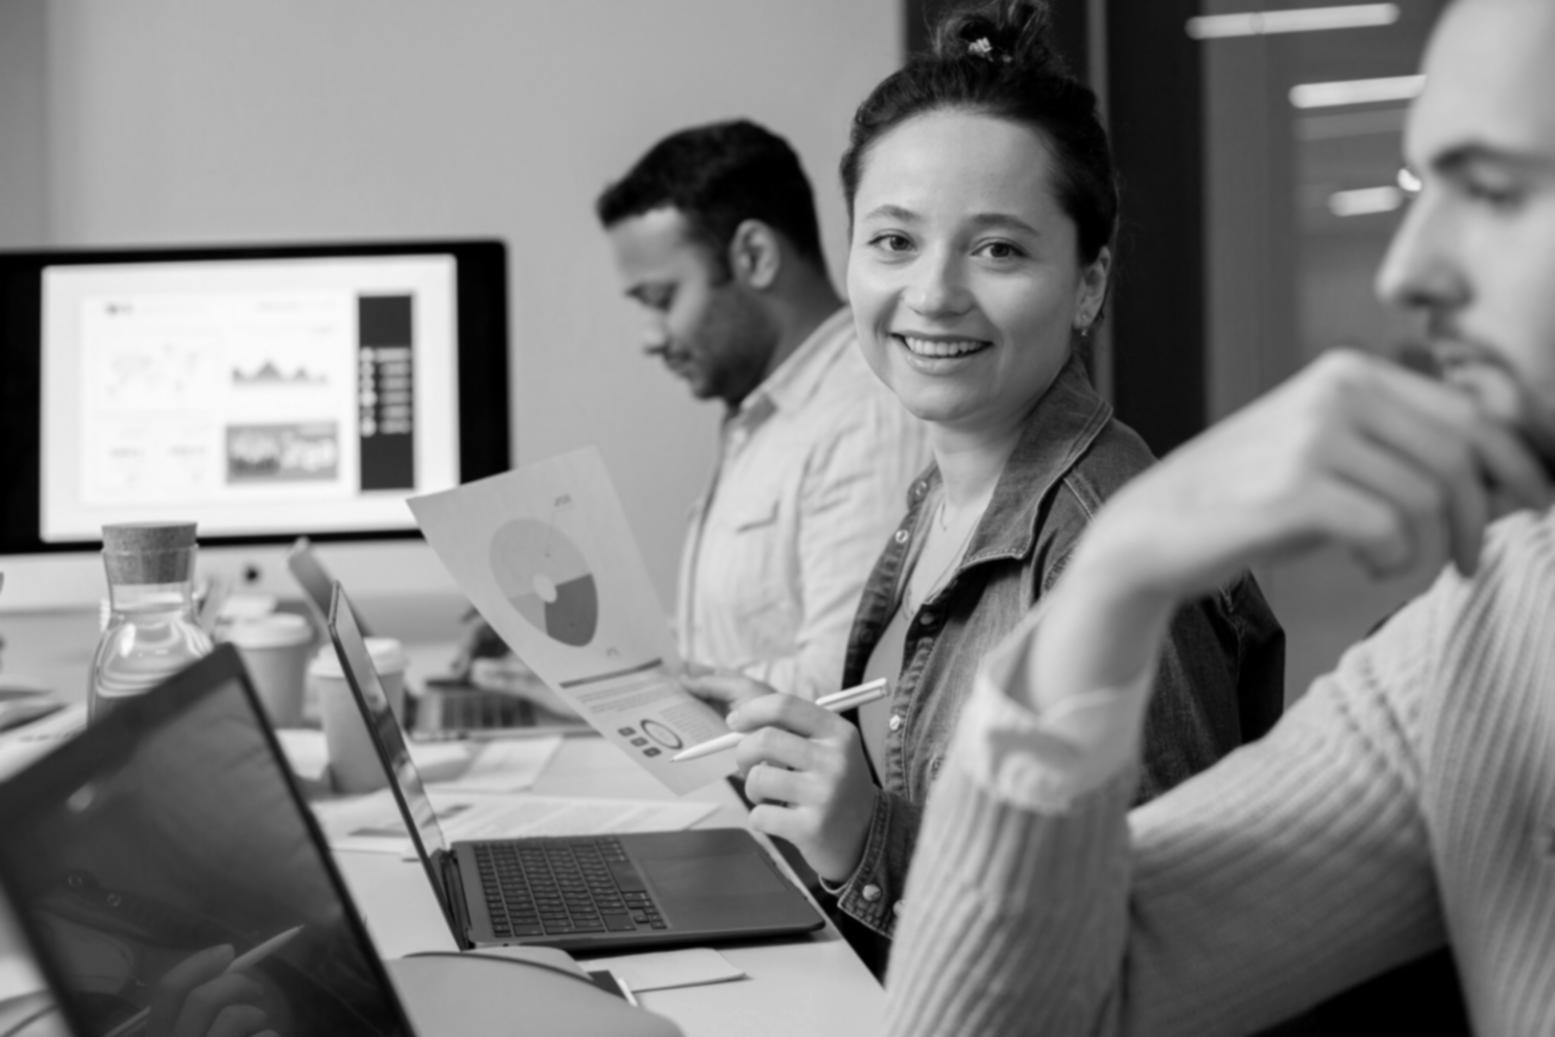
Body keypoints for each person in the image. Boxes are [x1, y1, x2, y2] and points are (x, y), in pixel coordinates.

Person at [884, 0, 1555, 1032]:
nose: (1403, 271)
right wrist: (1117, 575)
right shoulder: (1490, 639)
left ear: (1086, 284)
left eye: (1496, 191)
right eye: (890, 238)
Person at [687, 0, 1284, 977]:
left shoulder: (1114, 549)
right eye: (892, 241)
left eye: (998, 248)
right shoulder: (942, 494)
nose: (931, 293)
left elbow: (1162, 947)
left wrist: (866, 838)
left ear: (1087, 283)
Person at [595, 120, 930, 702]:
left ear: (754, 255)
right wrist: (587, 660)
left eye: (662, 299)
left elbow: (848, 690)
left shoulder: (868, 414)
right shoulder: (763, 415)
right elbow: (735, 653)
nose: (651, 338)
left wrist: (635, 691)